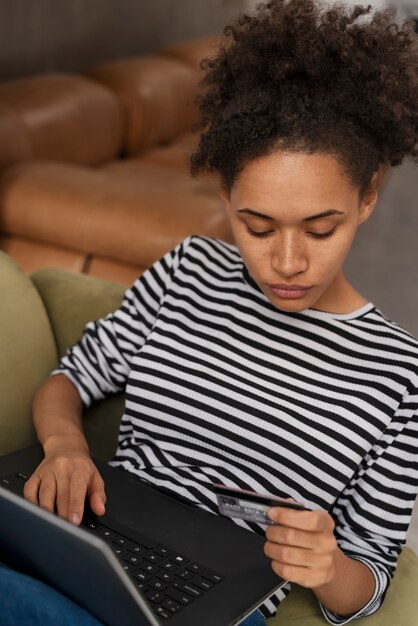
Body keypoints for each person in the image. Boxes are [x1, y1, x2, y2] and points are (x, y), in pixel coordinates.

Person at [2, 0, 418, 624]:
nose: (286, 261)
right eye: (256, 226)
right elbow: (70, 378)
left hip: (217, 602)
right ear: (226, 196)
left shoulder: (400, 375)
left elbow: (369, 577)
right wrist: (64, 447)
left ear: (365, 200)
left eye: (320, 230)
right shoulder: (188, 270)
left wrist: (330, 567)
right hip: (96, 536)